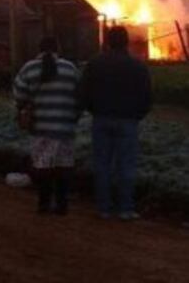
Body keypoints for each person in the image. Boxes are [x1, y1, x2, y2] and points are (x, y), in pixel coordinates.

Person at [81, 26, 152, 220]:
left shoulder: (94, 64)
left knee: (102, 164)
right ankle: (126, 208)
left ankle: (103, 208)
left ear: (107, 42)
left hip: (102, 119)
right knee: (126, 165)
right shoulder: (137, 66)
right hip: (128, 121)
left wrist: (94, 110)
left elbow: (84, 92)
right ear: (127, 42)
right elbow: (147, 96)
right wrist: (137, 115)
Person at [13, 37, 82, 214]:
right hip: (65, 128)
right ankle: (62, 205)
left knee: (43, 166)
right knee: (63, 167)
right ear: (58, 48)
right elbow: (80, 95)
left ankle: (43, 204)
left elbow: (19, 94)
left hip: (41, 127)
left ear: (39, 49)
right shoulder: (70, 68)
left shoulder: (29, 68)